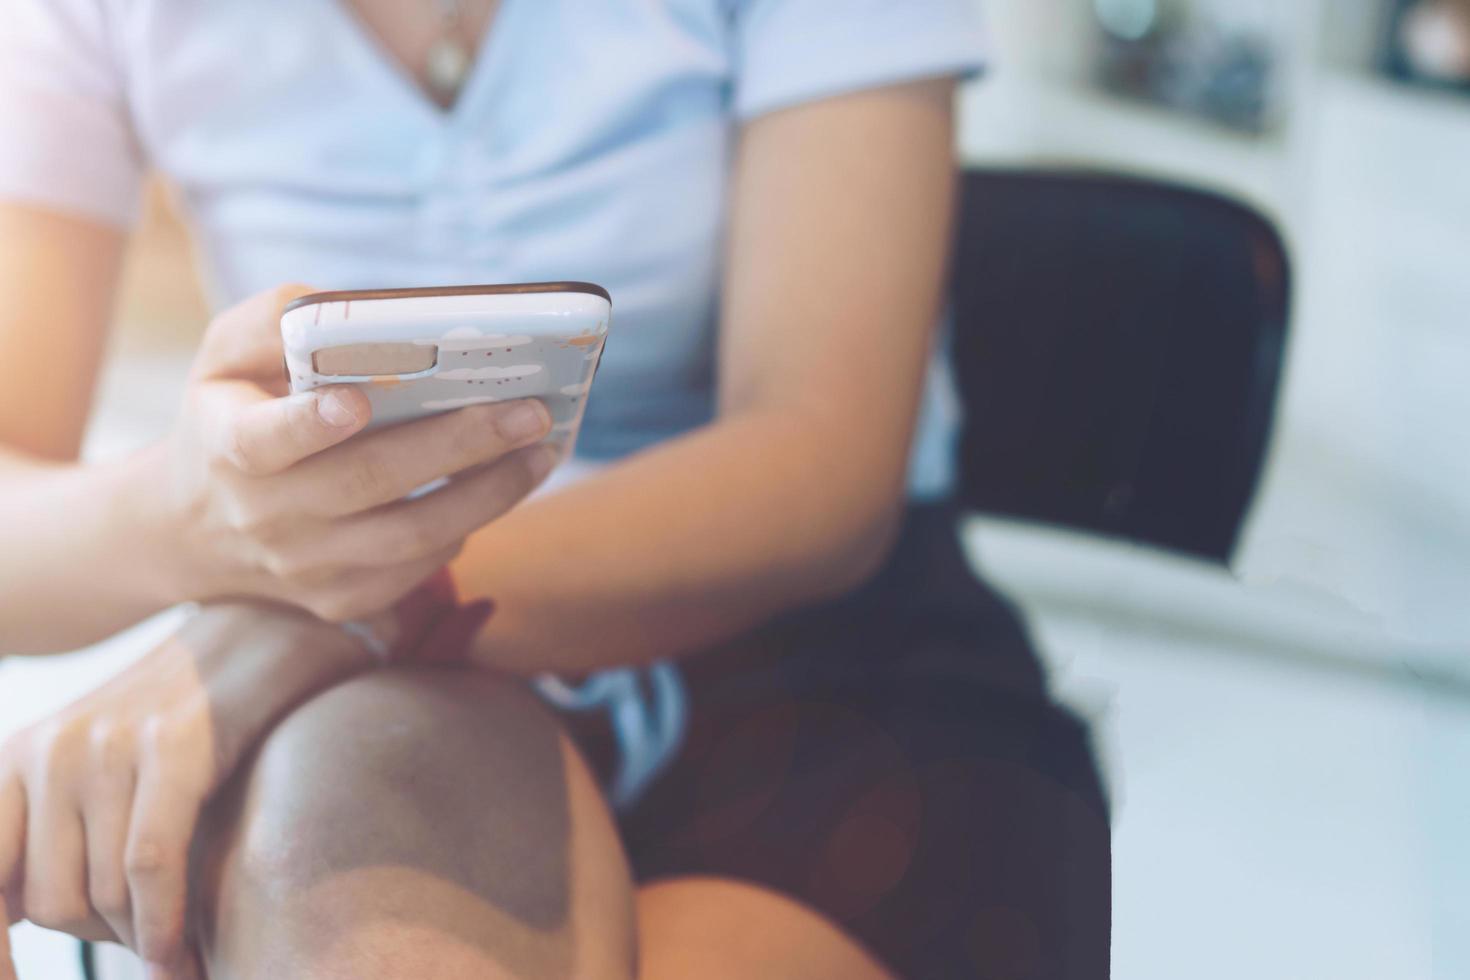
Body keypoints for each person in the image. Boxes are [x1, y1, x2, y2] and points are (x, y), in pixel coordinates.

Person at [0, 1, 1111, 977]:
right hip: (363, 680)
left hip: (819, 674)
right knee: (338, 804)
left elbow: (827, 466)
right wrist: (192, 516)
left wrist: (335, 608)